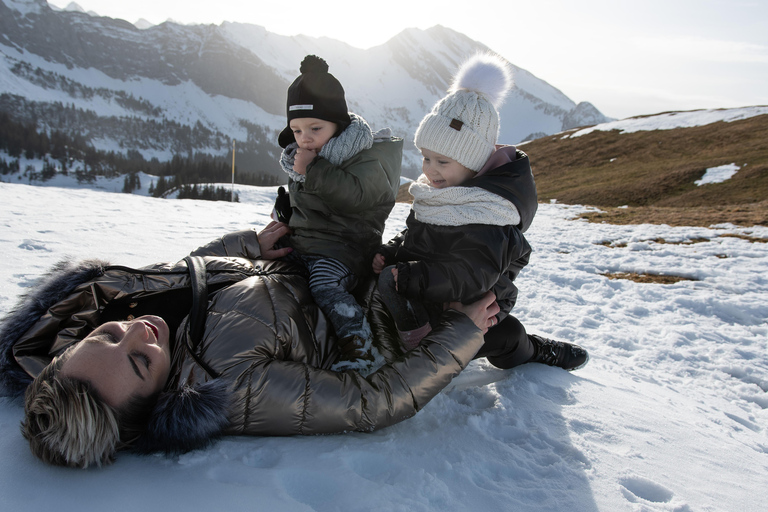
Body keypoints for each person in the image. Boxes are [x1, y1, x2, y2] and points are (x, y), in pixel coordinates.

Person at [0, 224, 500, 469]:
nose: (137, 330)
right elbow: (370, 401)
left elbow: (188, 275)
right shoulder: (229, 385)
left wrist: (246, 246)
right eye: (137, 361)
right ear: (151, 402)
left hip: (320, 262)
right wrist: (461, 336)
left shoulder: (122, 309)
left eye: (107, 335)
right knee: (476, 236)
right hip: (375, 305)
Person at [373, 53, 588, 371]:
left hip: (474, 299)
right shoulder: (441, 195)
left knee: (509, 335)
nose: (430, 170)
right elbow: (417, 234)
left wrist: (411, 276)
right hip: (430, 291)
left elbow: (472, 274)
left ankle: (535, 350)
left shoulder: (488, 215)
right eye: (426, 158)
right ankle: (419, 340)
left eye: (442, 162)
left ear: (472, 161)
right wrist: (391, 252)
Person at [273, 55, 402, 371]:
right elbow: (311, 208)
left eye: (315, 128)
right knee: (270, 276)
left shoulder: (365, 158)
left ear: (339, 125)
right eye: (297, 129)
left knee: (323, 285)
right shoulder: (306, 161)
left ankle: (360, 346)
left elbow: (355, 197)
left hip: (347, 251)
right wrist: (286, 213)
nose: (305, 137)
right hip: (307, 247)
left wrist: (315, 170)